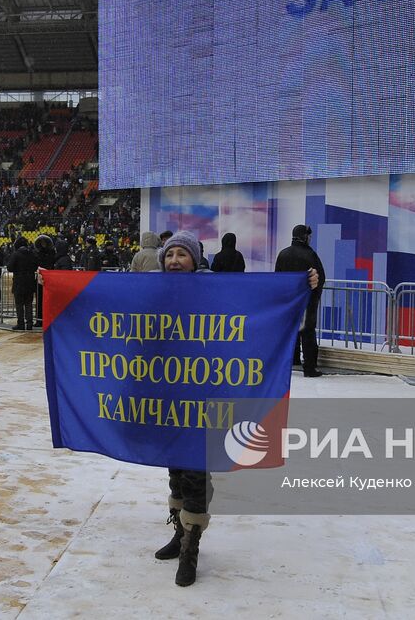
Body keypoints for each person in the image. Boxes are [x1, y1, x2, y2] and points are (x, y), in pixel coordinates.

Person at [152, 231, 316, 587]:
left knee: (196, 470)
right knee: (176, 468)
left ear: (195, 260)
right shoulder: (154, 291)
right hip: (167, 396)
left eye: (182, 254)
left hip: (206, 397)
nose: (174, 260)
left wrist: (305, 286)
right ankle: (179, 533)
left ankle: (190, 547)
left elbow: (262, 310)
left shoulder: (216, 291)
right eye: (169, 255)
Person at [274, 224, 326, 377]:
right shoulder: (310, 255)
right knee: (307, 332)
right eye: (309, 236)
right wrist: (314, 296)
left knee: (291, 330)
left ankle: (292, 359)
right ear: (304, 237)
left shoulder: (283, 254)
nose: (310, 239)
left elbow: (278, 278)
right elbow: (320, 278)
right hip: (306, 301)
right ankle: (309, 367)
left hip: (288, 301)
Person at [6, 236, 38, 330]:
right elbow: (35, 266)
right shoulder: (31, 254)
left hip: (19, 282)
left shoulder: (16, 254)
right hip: (30, 282)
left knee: (19, 304)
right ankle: (29, 323)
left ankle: (21, 323)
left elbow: (9, 267)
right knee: (28, 304)